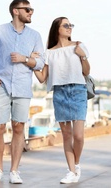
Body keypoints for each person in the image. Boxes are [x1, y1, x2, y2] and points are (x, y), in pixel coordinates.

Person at [0, 0, 44, 184]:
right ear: (16, 11)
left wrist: (25, 58)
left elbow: (40, 63)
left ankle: (14, 171)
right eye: (28, 9)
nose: (31, 12)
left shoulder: (35, 36)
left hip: (23, 87)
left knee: (18, 127)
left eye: (32, 9)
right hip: (0, 86)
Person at [31, 16, 90, 184]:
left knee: (78, 136)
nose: (69, 27)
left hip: (78, 90)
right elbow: (42, 77)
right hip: (59, 93)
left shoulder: (78, 46)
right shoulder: (49, 53)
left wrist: (83, 56)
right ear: (57, 28)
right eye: (66, 25)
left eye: (71, 24)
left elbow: (86, 71)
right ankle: (71, 171)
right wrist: (32, 63)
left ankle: (76, 164)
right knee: (66, 136)